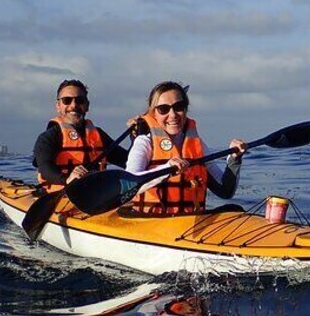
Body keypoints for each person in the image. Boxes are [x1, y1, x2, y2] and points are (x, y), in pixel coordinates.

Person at [126, 81, 246, 215]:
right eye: (163, 109)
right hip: (151, 223)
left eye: (178, 107)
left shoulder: (197, 145)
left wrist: (234, 159)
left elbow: (225, 191)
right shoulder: (144, 143)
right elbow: (128, 187)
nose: (172, 115)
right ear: (154, 113)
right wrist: (167, 169)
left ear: (185, 109)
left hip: (188, 223)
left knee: (235, 210)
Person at [33, 79, 129, 192]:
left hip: (95, 195)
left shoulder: (99, 135)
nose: (73, 105)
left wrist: (136, 138)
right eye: (66, 100)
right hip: (59, 195)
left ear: (87, 105)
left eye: (80, 100)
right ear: (58, 106)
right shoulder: (48, 137)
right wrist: (67, 179)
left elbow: (127, 161)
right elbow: (45, 168)